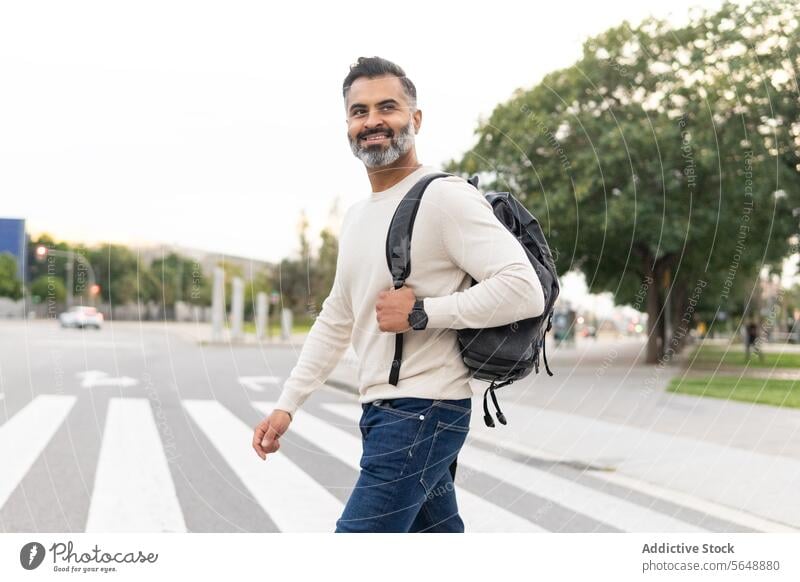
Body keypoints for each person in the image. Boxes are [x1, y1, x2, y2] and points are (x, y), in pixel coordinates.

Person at [251, 56, 546, 533]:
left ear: (416, 118)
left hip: (424, 410)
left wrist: (423, 314)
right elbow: (336, 318)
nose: (372, 122)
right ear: (347, 124)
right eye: (359, 111)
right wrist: (288, 404)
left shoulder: (445, 197)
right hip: (384, 412)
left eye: (387, 107)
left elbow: (522, 289)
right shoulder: (356, 216)